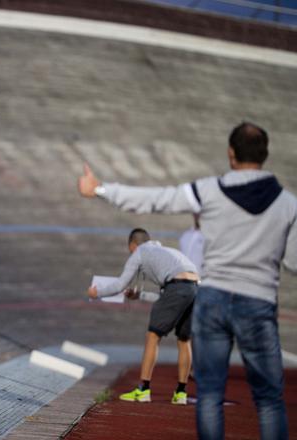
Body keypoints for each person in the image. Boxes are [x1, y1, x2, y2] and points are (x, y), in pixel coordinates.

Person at [78, 122, 297, 439]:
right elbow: (292, 261)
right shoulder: (289, 204)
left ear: (230, 154)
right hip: (257, 302)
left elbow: (157, 199)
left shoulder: (208, 190)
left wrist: (100, 189)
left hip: (214, 299)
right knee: (269, 399)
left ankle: (146, 387)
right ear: (265, 155)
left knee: (208, 394)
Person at [87, 228, 198, 405]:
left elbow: (120, 284)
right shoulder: (167, 252)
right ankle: (181, 393)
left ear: (132, 245)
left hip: (177, 287)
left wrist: (97, 292)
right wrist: (140, 295)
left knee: (153, 336)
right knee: (184, 340)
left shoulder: (139, 252)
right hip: (195, 287)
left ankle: (143, 390)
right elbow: (170, 296)